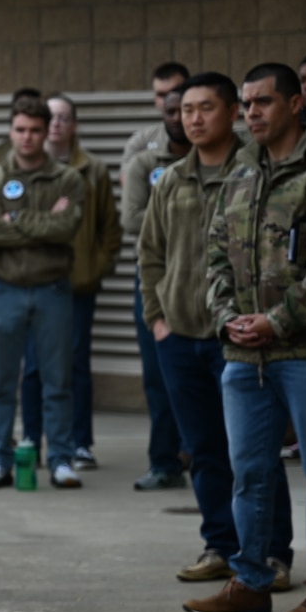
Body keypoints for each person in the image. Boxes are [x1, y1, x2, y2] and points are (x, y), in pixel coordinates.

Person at [184, 63, 306, 612]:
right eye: (247, 103)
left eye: (263, 102)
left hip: (304, 352)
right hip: (242, 355)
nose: (252, 113)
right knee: (249, 471)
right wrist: (229, 316)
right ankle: (251, 578)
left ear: (296, 103)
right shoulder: (239, 170)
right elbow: (214, 253)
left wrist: (278, 320)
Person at [140, 72, 290, 590]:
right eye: (186, 110)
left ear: (232, 113)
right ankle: (220, 546)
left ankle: (272, 552)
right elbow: (150, 255)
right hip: (180, 336)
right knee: (203, 448)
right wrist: (157, 321)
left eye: (206, 108)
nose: (194, 119)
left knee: (254, 453)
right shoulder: (171, 179)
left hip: (240, 337)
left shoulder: (255, 172)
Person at [0, 97, 85, 489]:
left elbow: (66, 229)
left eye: (35, 130)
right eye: (20, 129)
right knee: (2, 381)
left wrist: (17, 219)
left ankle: (60, 459)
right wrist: (43, 221)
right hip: (4, 290)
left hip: (53, 290)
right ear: (10, 130)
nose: (27, 137)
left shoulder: (67, 179)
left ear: (46, 132)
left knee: (57, 380)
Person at [17, 95, 118, 470]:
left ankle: (79, 442)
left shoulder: (92, 169)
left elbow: (110, 228)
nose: (56, 124)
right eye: (51, 118)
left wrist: (95, 269)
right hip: (31, 282)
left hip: (76, 286)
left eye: (64, 118)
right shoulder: (21, 168)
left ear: (74, 125)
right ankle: (32, 437)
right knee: (32, 366)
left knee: (75, 363)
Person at [119, 72, 192, 491]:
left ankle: (204, 457)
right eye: (171, 111)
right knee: (158, 374)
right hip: (156, 280)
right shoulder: (146, 163)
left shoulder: (226, 159)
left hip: (208, 281)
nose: (180, 119)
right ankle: (164, 461)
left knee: (208, 377)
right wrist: (189, 217)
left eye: (185, 110)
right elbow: (132, 220)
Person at [121, 63, 192, 165]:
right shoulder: (141, 141)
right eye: (161, 95)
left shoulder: (207, 135)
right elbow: (127, 178)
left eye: (174, 91)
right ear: (155, 98)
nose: (169, 99)